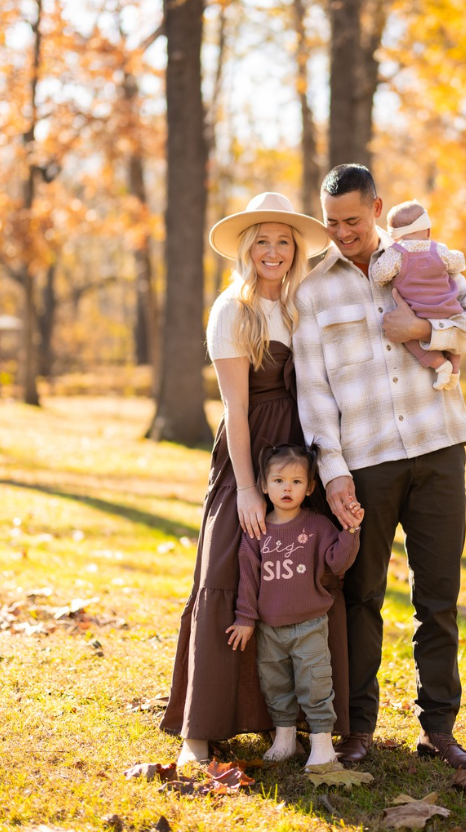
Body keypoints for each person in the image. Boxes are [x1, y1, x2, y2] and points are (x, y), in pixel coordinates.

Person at [293, 164, 466, 770]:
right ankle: (358, 728)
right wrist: (333, 471)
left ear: (377, 208)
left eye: (353, 220)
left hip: (439, 448)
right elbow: (313, 393)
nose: (343, 233)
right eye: (332, 223)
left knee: (438, 598)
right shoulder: (312, 291)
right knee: (362, 599)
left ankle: (439, 729)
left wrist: (428, 329)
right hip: (366, 463)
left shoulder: (425, 258)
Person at [159, 192, 353, 765]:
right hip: (250, 453)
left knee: (299, 575)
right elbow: (236, 410)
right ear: (247, 249)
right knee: (227, 566)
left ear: (296, 250)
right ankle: (199, 731)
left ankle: (295, 723)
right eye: (262, 241)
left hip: (300, 455)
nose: (273, 251)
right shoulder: (231, 310)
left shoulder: (300, 306)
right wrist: (246, 488)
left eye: (284, 241)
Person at [226, 444, 364, 770]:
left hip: (310, 624)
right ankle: (285, 738)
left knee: (315, 683)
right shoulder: (257, 529)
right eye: (278, 481)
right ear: (263, 485)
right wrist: (245, 618)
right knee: (275, 684)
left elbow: (338, 564)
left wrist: (351, 530)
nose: (287, 488)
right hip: (269, 628)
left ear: (310, 487)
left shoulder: (317, 526)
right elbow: (248, 578)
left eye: (296, 482)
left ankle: (322, 744)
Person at [371, 199, 466, 392]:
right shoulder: (438, 250)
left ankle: (440, 365)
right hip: (447, 310)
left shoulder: (396, 254)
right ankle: (455, 367)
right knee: (454, 339)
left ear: (394, 236)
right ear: (428, 231)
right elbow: (459, 263)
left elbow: (379, 275)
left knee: (409, 337)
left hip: (418, 314)